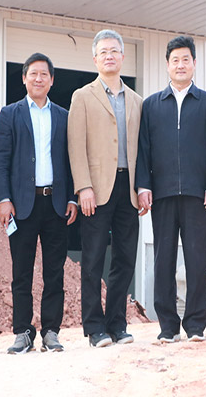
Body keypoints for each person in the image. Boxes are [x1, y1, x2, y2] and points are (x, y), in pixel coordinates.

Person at [136, 35, 206, 343]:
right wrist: (143, 186)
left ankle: (196, 325)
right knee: (163, 260)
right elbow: (143, 149)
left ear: (194, 64)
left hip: (198, 194)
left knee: (197, 260)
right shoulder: (152, 105)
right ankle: (168, 326)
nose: (180, 65)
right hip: (161, 194)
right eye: (175, 60)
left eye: (186, 59)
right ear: (167, 65)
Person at [0, 53, 78, 354]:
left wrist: (72, 197)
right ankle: (22, 332)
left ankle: (51, 332)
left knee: (54, 272)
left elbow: (71, 160)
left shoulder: (64, 116)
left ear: (52, 80)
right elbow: (1, 160)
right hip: (21, 207)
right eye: (33, 73)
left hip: (56, 204)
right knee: (22, 273)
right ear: (24, 78)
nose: (38, 78)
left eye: (44, 74)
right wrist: (4, 199)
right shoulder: (9, 114)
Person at [68, 29, 142, 348]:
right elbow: (75, 145)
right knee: (94, 258)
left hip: (129, 188)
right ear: (95, 59)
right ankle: (94, 327)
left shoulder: (137, 101)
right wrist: (83, 186)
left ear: (123, 57)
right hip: (96, 189)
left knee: (125, 259)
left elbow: (144, 149)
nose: (109, 56)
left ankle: (117, 324)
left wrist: (143, 187)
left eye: (114, 51)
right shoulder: (83, 96)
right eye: (103, 52)